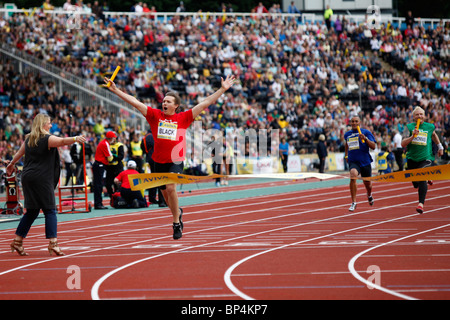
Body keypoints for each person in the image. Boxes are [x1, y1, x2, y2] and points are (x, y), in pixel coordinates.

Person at [104, 74, 236, 240]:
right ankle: (178, 213)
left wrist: (222, 89)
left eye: (168, 101)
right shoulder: (155, 116)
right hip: (158, 162)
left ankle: (175, 224)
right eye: (164, 101)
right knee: (167, 199)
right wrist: (116, 90)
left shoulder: (183, 118)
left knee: (172, 188)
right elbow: (135, 102)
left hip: (176, 160)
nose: (164, 103)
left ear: (176, 106)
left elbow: (205, 103)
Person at [6, 113, 86, 256]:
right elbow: (62, 141)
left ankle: (17, 241)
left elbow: (19, 153)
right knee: (50, 210)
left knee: (32, 211)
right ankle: (53, 243)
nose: (51, 125)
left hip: (28, 177)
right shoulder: (47, 139)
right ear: (43, 124)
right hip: (41, 177)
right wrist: (75, 138)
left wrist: (11, 164)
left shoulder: (29, 138)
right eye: (49, 123)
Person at [401, 107, 444, 214]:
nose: (419, 116)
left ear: (424, 116)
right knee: (416, 183)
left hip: (426, 157)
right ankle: (426, 178)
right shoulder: (409, 127)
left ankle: (421, 204)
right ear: (413, 117)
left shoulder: (430, 127)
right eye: (417, 115)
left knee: (421, 176)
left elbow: (433, 135)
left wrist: (440, 147)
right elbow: (403, 143)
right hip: (412, 158)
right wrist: (412, 136)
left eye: (421, 114)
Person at [344, 116, 376, 211]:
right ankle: (354, 202)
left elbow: (373, 146)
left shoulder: (366, 132)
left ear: (359, 122)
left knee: (368, 184)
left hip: (365, 162)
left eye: (356, 121)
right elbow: (346, 144)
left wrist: (365, 139)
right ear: (350, 123)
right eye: (352, 121)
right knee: (353, 175)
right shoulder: (347, 134)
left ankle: (369, 194)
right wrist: (346, 155)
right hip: (353, 161)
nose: (354, 123)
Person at [141, 129, 167, 206]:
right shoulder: (153, 136)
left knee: (154, 178)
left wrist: (147, 153)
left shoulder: (145, 136)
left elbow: (142, 147)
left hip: (150, 158)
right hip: (156, 158)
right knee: (160, 179)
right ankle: (161, 200)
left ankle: (152, 198)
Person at [92, 130, 116, 209]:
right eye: (113, 138)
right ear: (111, 138)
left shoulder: (103, 142)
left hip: (98, 165)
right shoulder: (105, 144)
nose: (114, 140)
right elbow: (110, 158)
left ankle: (98, 203)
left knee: (98, 185)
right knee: (99, 185)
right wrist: (114, 156)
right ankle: (98, 204)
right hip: (100, 165)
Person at [105, 132, 124, 197]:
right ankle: (111, 195)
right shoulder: (107, 145)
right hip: (109, 167)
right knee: (108, 184)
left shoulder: (119, 145)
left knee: (117, 183)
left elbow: (121, 157)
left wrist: (113, 157)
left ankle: (117, 196)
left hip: (117, 167)